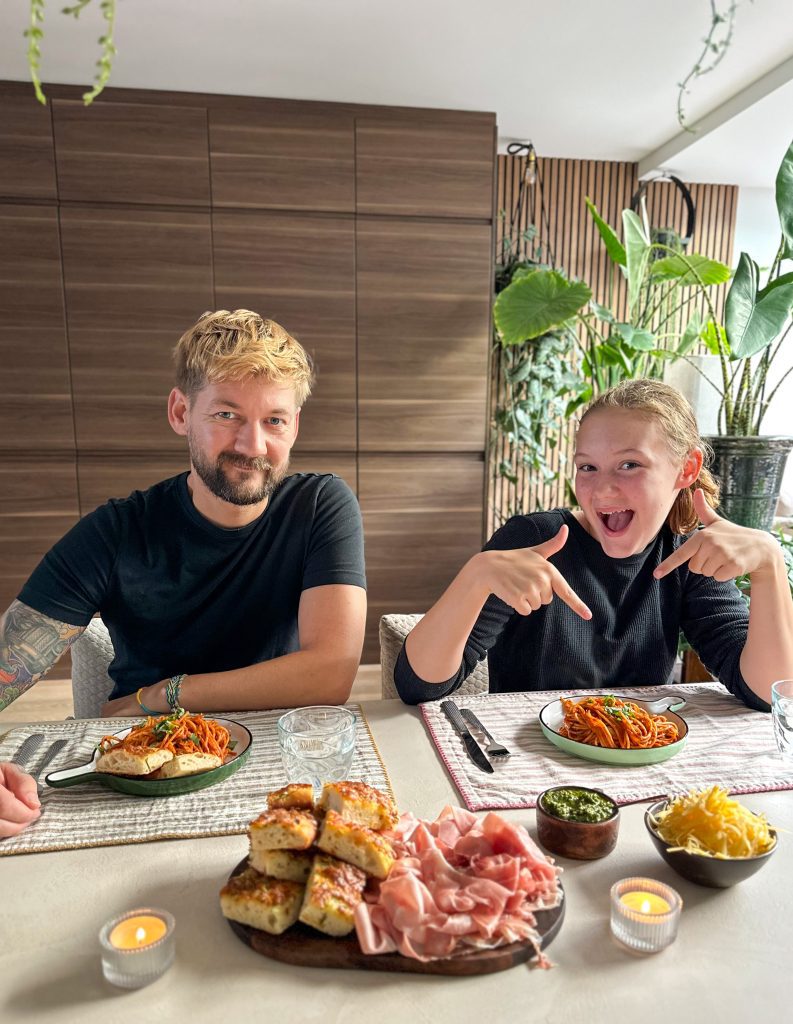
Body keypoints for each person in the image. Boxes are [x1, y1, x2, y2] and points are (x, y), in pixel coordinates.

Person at [0, 309, 367, 727]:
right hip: (143, 755)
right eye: (226, 415)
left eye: (274, 421)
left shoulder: (320, 505)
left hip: (277, 746)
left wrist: (163, 694)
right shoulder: (115, 532)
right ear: (180, 412)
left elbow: (331, 674)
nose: (253, 445)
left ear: (295, 426)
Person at [395, 379, 793, 710]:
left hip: (640, 765)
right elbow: (419, 687)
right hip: (528, 762)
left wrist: (770, 567)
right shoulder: (535, 540)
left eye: (629, 464)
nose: (603, 488)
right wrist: (476, 577)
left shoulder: (686, 552)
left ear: (685, 469)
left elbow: (770, 694)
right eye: (587, 467)